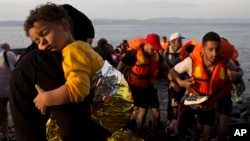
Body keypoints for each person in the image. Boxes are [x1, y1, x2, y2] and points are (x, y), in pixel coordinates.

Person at [23, 2, 133, 139]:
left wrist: (46, 99)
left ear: (65, 25)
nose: (42, 44)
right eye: (37, 41)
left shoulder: (72, 51)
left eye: (45, 33)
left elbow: (77, 90)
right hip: (120, 98)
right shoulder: (82, 46)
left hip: (112, 105)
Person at [169, 31, 243, 141]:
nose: (214, 54)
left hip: (214, 99)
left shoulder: (224, 61)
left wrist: (237, 75)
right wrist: (181, 82)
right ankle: (170, 127)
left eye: (217, 49)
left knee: (211, 135)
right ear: (202, 50)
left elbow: (239, 71)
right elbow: (173, 71)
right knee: (179, 131)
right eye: (210, 50)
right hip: (194, 98)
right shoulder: (191, 61)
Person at [117, 33, 171, 138]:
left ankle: (154, 133)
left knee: (156, 111)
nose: (155, 50)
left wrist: (172, 81)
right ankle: (136, 131)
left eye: (156, 48)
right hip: (133, 87)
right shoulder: (132, 54)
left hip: (148, 86)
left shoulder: (156, 55)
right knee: (136, 111)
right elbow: (119, 69)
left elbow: (167, 68)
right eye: (153, 47)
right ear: (146, 44)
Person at [0, 43, 17, 141]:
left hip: (0, 91)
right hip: (12, 89)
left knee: (2, 114)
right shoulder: (9, 54)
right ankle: (19, 130)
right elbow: (17, 67)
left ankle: (4, 134)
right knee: (16, 111)